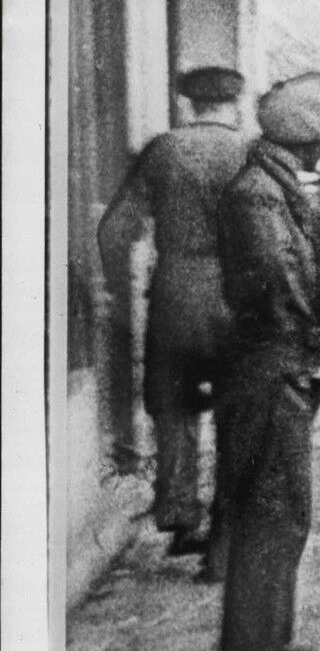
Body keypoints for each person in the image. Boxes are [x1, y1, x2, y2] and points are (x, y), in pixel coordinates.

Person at [212, 71, 320, 651]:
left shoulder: (271, 185)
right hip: (270, 360)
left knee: (281, 505)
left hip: (272, 357)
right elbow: (276, 280)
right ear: (307, 139)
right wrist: (311, 340)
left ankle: (266, 637)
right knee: (272, 507)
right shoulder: (259, 195)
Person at [97, 66, 249, 558]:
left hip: (175, 296)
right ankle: (227, 532)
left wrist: (112, 291)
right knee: (238, 412)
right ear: (234, 102)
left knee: (174, 409)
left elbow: (117, 229)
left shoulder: (162, 150)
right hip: (234, 297)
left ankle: (182, 520)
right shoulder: (250, 153)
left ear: (189, 104)